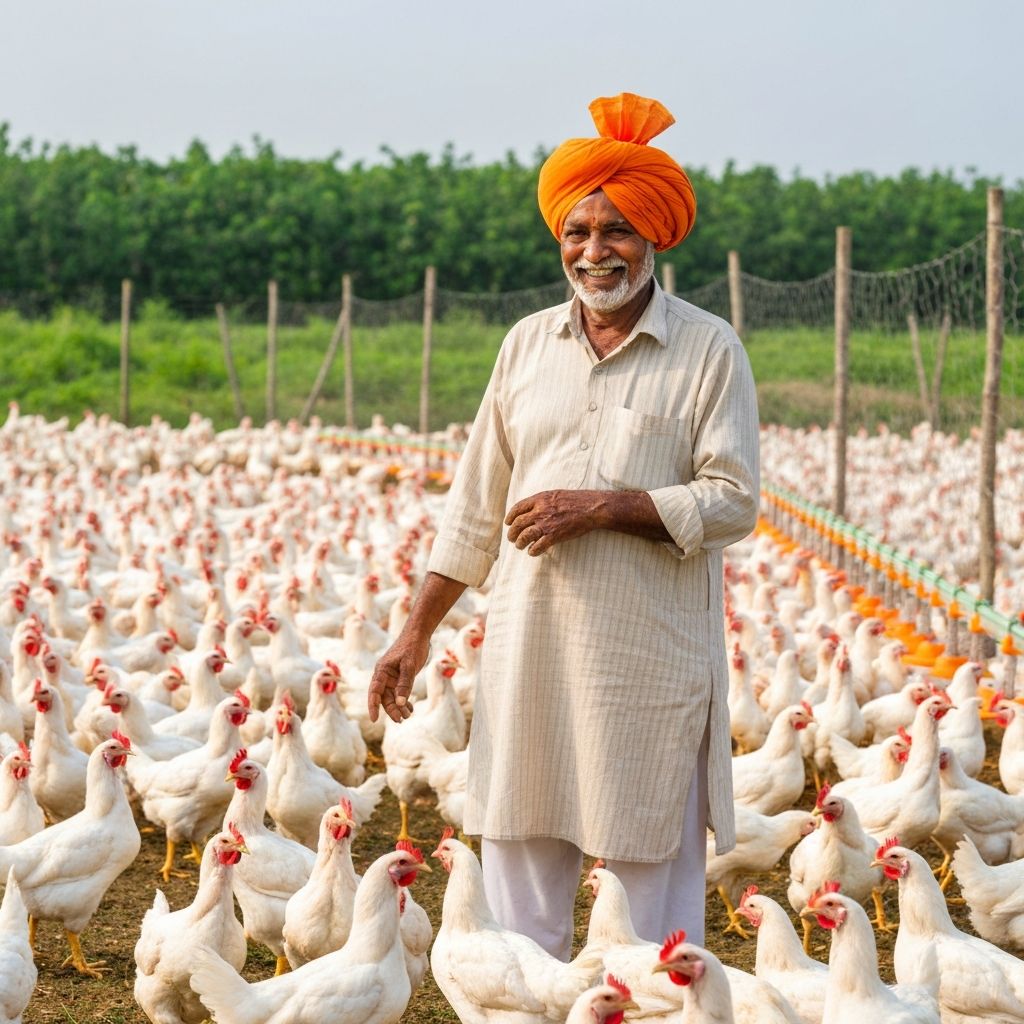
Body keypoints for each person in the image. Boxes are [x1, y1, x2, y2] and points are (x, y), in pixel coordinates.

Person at [368, 92, 759, 959]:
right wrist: (415, 631)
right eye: (577, 231)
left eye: (616, 230)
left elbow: (733, 498)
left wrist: (608, 507)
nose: (594, 250)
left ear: (654, 236)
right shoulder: (525, 345)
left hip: (646, 661)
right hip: (530, 650)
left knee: (649, 894)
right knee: (517, 879)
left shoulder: (708, 350)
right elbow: (475, 504)